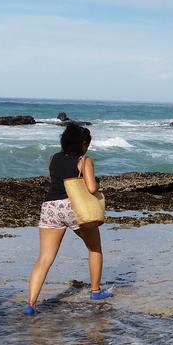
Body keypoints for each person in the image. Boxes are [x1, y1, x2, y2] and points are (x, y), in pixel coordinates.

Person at [25, 123, 111, 315]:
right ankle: (96, 291)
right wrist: (97, 182)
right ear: (82, 144)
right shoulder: (84, 160)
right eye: (86, 144)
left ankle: (31, 304)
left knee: (44, 258)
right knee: (94, 247)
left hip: (50, 207)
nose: (87, 148)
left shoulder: (53, 158)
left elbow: (54, 178)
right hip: (74, 207)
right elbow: (90, 188)